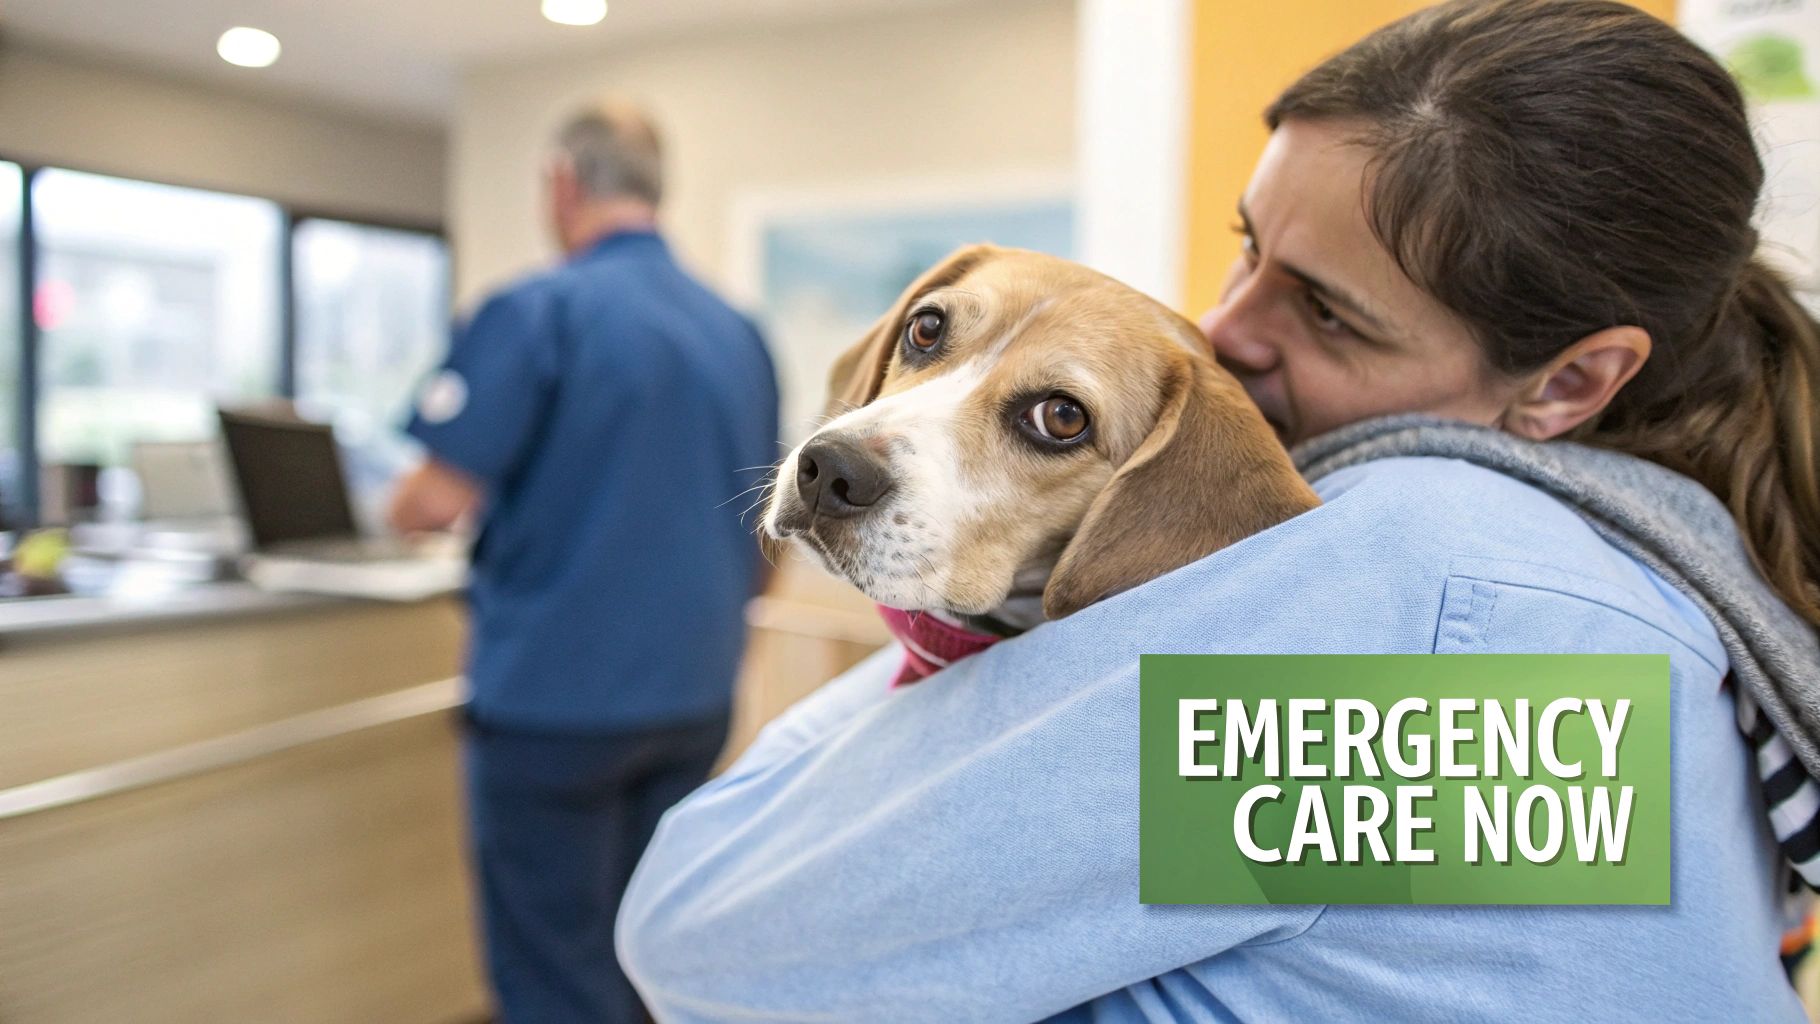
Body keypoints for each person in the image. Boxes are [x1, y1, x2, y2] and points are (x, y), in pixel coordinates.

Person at [614, 1, 1820, 1020]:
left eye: (1326, 310)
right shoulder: (1660, 586)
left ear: (1568, 381)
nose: (1228, 330)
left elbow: (698, 931)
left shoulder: (1422, 586)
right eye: (1245, 247)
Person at [388, 100, 779, 1023]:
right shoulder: (737, 331)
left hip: (555, 703)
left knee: (553, 975)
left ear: (563, 183)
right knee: (647, 948)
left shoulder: (535, 310)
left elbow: (432, 502)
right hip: (693, 695)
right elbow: (769, 526)